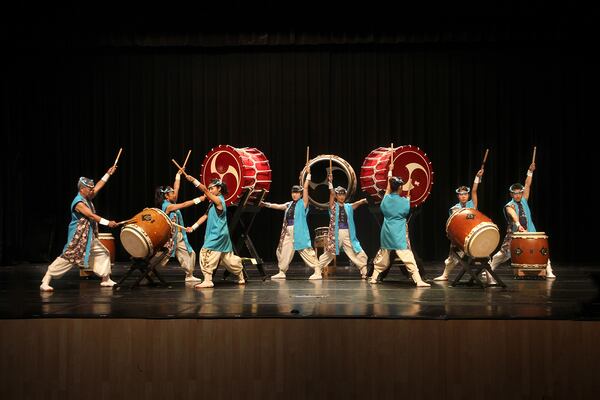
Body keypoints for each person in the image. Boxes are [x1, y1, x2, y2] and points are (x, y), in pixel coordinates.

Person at [40, 166, 118, 291]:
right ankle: (46, 279)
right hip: (78, 236)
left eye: (92, 189)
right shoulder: (78, 202)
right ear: (82, 189)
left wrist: (108, 174)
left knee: (103, 253)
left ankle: (105, 279)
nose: (92, 190)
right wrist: (108, 222)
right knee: (68, 257)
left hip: (89, 236)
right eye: (89, 189)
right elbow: (91, 215)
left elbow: (98, 186)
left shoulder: (87, 197)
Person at [488, 162, 556, 282]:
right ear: (511, 194)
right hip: (515, 233)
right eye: (515, 193)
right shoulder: (509, 205)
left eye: (520, 192)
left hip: (530, 230)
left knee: (541, 250)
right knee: (504, 253)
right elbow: (513, 214)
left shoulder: (524, 200)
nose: (518, 195)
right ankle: (489, 268)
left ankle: (549, 270)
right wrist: (518, 225)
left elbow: (527, 185)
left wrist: (530, 171)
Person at [369, 163, 430, 287]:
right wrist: (408, 197)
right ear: (400, 188)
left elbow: (387, 188)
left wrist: (390, 172)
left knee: (383, 257)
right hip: (399, 233)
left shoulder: (385, 199)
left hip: (386, 232)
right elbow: (406, 208)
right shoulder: (404, 202)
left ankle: (374, 278)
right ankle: (418, 280)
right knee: (408, 257)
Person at [260, 167, 321, 280]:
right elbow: (278, 206)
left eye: (297, 192)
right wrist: (266, 204)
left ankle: (317, 270)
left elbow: (306, 187)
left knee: (305, 250)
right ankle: (282, 271)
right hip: (288, 231)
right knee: (284, 250)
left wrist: (308, 175)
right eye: (293, 192)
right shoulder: (289, 204)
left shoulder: (303, 203)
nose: (295, 194)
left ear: (301, 194)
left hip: (299, 231)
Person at [186, 176, 245, 288]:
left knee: (205, 252)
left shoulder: (219, 201)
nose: (210, 190)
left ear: (219, 189)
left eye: (212, 188)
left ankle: (208, 280)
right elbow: (205, 216)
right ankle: (240, 275)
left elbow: (204, 190)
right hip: (222, 234)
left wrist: (193, 180)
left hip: (217, 234)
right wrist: (193, 227)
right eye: (209, 188)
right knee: (228, 258)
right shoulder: (212, 203)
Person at [316, 171, 369, 278]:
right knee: (329, 253)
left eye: (343, 194)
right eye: (339, 194)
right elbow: (331, 194)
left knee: (357, 250)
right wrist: (330, 182)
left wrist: (365, 200)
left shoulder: (348, 206)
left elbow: (357, 203)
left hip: (348, 234)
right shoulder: (333, 206)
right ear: (336, 195)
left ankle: (364, 269)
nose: (341, 196)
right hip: (336, 233)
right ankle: (317, 270)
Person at [434, 169, 484, 281]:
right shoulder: (454, 208)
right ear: (458, 196)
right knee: (452, 258)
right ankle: (445, 275)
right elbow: (453, 225)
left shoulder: (472, 205)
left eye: (465, 194)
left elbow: (475, 191)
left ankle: (489, 275)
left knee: (484, 255)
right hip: (460, 237)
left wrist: (477, 178)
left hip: (474, 236)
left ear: (468, 195)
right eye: (461, 194)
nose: (463, 196)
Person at [156, 170, 204, 282]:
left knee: (190, 253)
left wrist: (178, 175)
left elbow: (176, 187)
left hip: (178, 235)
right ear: (167, 196)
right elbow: (184, 204)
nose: (175, 194)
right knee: (162, 257)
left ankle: (189, 275)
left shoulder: (171, 201)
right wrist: (199, 199)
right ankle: (148, 272)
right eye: (172, 193)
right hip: (170, 237)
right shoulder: (167, 206)